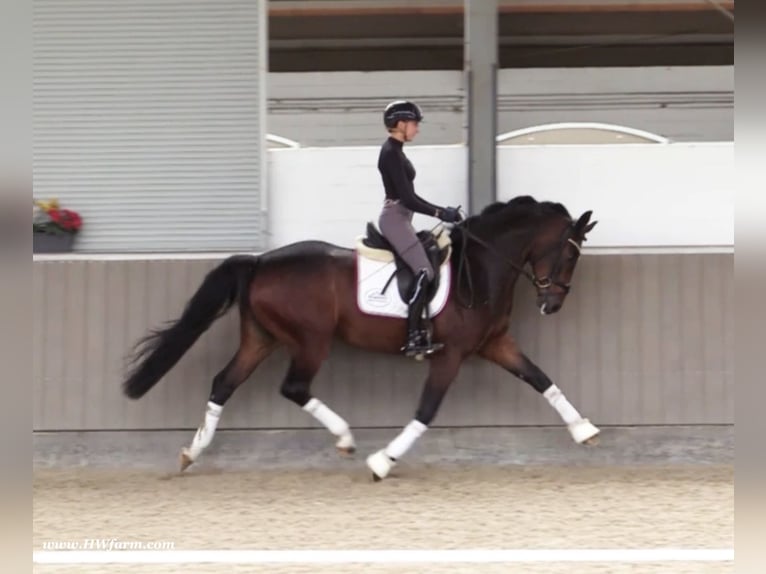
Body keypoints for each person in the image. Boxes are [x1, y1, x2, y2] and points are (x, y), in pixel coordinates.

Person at [377, 99, 463, 358]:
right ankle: (413, 335)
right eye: (414, 124)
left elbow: (412, 198)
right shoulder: (391, 153)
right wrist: (440, 212)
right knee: (424, 270)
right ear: (400, 124)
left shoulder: (398, 151)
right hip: (394, 218)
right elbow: (408, 198)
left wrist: (441, 210)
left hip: (402, 216)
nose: (417, 129)